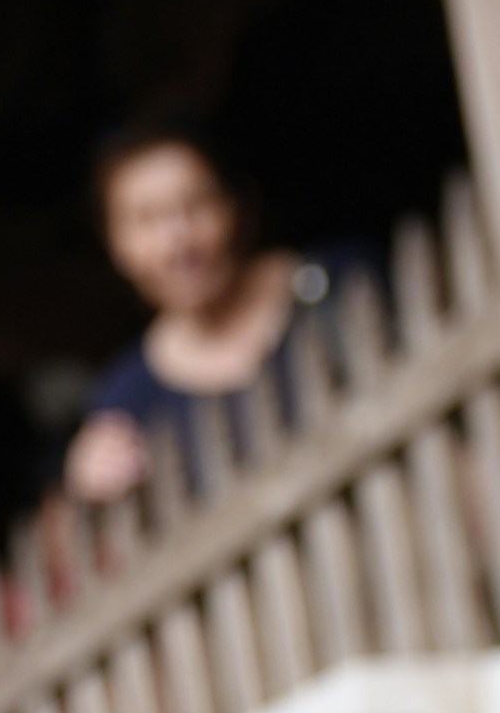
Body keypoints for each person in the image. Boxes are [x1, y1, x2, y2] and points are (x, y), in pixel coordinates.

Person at [58, 124, 364, 504]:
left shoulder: (337, 285)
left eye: (197, 204)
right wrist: (86, 491)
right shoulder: (127, 402)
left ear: (238, 205)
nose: (178, 241)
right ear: (116, 247)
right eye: (146, 220)